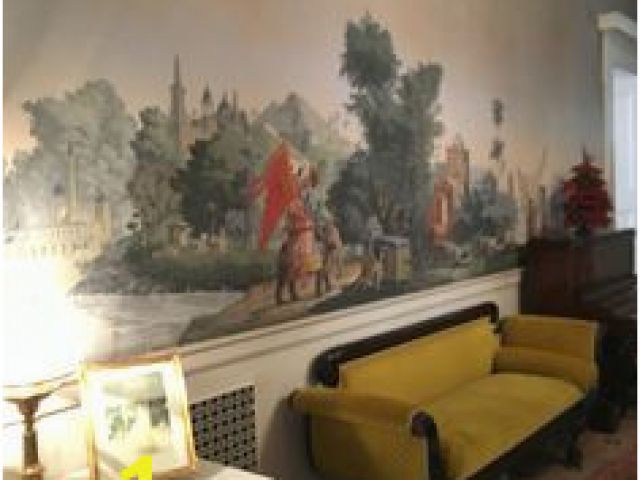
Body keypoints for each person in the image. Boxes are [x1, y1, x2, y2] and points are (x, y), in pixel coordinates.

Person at [275, 234, 299, 304]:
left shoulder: (291, 245)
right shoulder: (286, 244)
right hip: (284, 266)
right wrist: (287, 263)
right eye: (294, 237)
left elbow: (291, 255)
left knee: (291, 281)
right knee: (282, 282)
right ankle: (279, 299)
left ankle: (293, 296)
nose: (295, 239)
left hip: (288, 266)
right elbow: (283, 256)